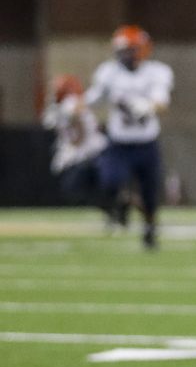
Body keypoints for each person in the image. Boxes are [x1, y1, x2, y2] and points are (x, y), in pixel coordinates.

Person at [87, 25, 173, 250]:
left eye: (128, 50)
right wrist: (73, 106)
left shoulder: (157, 72)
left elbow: (162, 103)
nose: (123, 55)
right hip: (119, 143)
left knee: (151, 195)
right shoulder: (109, 72)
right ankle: (123, 203)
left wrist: (148, 106)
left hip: (146, 143)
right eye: (121, 50)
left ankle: (150, 231)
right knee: (111, 181)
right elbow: (93, 98)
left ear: (141, 50)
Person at [41, 73, 119, 226]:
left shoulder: (71, 103)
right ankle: (114, 209)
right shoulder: (59, 106)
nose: (52, 93)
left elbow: (77, 124)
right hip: (85, 152)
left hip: (92, 152)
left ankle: (117, 207)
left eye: (55, 90)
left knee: (78, 188)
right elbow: (51, 123)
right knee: (83, 190)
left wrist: (74, 146)